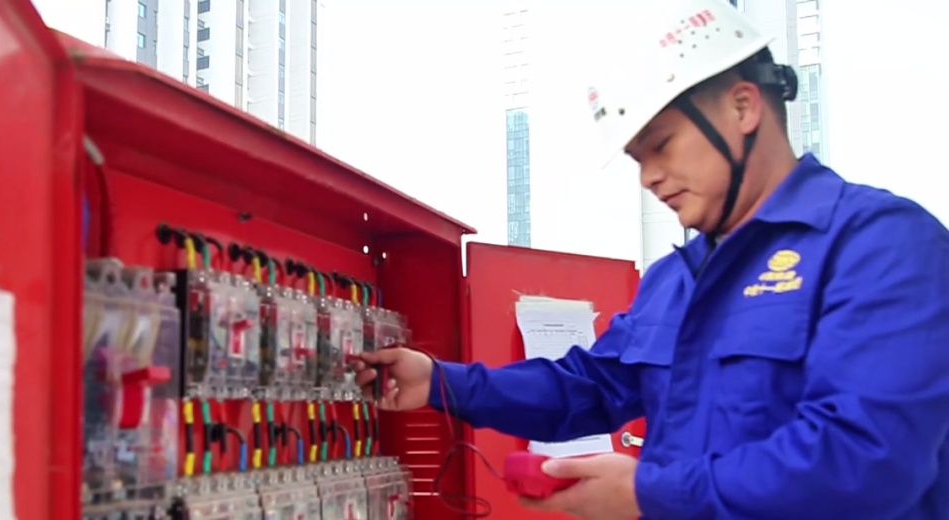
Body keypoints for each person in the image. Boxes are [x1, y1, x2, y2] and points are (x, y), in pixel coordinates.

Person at [352, 1, 949, 519]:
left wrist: (650, 492)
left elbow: (870, 460)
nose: (649, 177)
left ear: (743, 107)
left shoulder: (878, 244)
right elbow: (588, 387)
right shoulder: (677, 278)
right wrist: (440, 382)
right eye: (638, 158)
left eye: (661, 145)